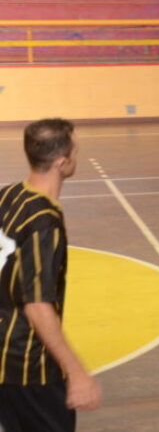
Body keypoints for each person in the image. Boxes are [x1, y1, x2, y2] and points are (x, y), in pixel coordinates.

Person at [0, 119, 102, 432]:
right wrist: (76, 372)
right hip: (29, 365)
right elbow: (37, 304)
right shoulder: (44, 221)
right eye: (75, 150)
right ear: (62, 162)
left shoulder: (7, 195)